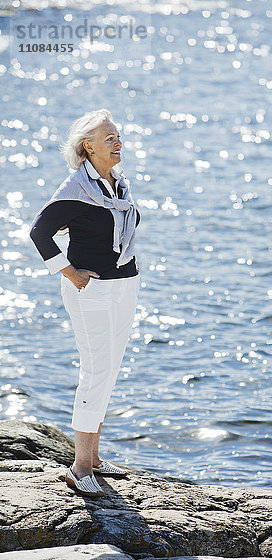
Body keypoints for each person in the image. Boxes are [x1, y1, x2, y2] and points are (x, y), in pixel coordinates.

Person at [30, 109, 141, 498]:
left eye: (117, 135)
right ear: (86, 147)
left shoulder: (117, 183)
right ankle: (79, 468)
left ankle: (93, 459)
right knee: (95, 372)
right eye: (108, 137)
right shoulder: (77, 188)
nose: (117, 141)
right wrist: (69, 272)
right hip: (91, 291)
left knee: (109, 372)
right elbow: (40, 232)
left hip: (125, 286)